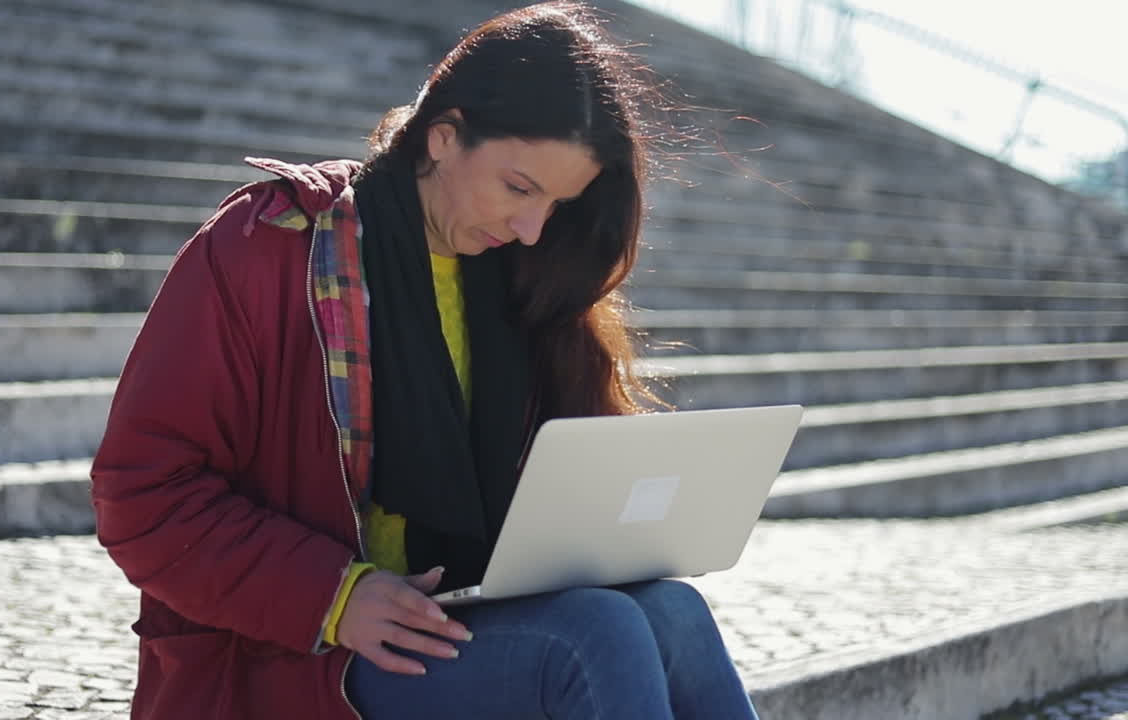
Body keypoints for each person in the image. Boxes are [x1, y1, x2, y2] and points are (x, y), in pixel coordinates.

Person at [90, 2, 760, 717]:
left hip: (456, 620)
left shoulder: (524, 281)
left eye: (557, 204)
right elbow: (141, 492)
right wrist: (336, 596)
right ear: (443, 136)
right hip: (294, 656)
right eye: (519, 188)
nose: (532, 229)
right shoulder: (267, 250)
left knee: (673, 612)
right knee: (595, 636)